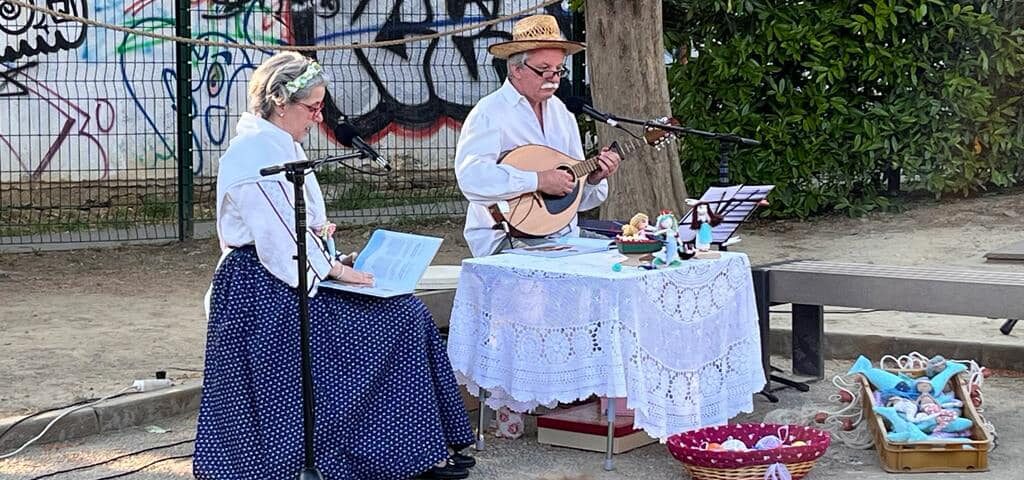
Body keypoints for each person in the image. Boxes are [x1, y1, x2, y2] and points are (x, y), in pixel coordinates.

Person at [194, 51, 474, 480]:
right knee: (399, 318)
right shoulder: (253, 153)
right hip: (261, 290)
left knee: (407, 313)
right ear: (279, 103)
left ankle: (399, 455)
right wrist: (337, 271)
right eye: (312, 108)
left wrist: (332, 257)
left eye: (321, 107)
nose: (318, 118)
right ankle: (373, 456)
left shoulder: (279, 143)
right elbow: (277, 242)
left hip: (288, 277)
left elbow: (295, 233)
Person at [454, 14, 622, 258]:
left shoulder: (562, 114)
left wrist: (593, 178)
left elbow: (578, 200)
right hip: (505, 239)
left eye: (558, 70)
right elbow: (472, 179)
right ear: (516, 69)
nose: (553, 78)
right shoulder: (489, 113)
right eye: (544, 70)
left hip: (564, 237)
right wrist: (537, 180)